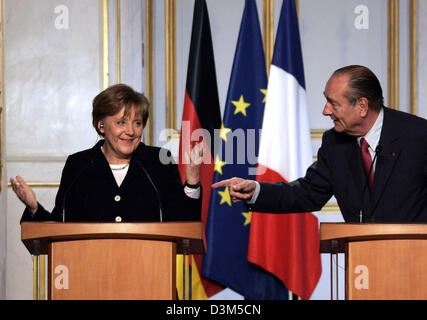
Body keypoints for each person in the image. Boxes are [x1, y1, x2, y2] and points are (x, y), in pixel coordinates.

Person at [213, 65, 427, 222]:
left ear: (362, 106)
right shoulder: (334, 143)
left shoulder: (418, 136)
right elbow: (307, 194)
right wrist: (256, 190)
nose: (325, 111)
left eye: (333, 103)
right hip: (363, 266)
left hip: (415, 264)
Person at [11, 84, 202, 223]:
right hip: (90, 273)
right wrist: (34, 208)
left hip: (149, 273)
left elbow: (183, 224)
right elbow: (61, 226)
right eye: (121, 122)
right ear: (101, 125)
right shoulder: (79, 165)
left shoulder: (159, 161)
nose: (131, 131)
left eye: (137, 123)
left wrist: (192, 181)